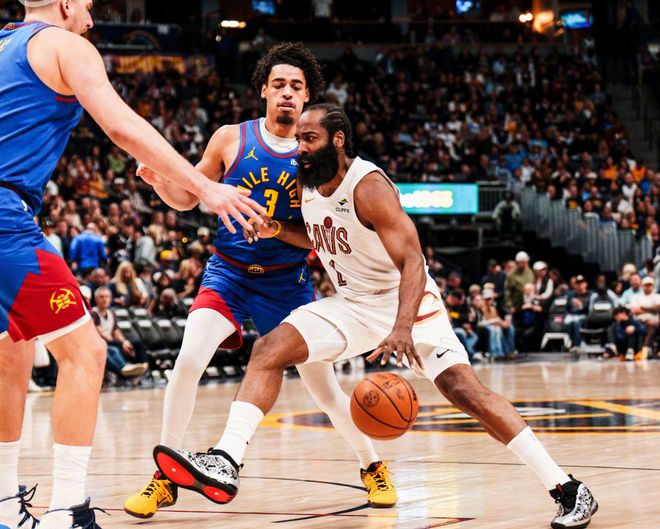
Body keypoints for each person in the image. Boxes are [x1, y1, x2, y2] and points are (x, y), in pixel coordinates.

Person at [153, 105, 598, 529]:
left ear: (337, 140)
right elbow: (317, 232)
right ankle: (227, 459)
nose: (300, 148)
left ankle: (567, 488)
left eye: (309, 139)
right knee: (269, 349)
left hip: (408, 304)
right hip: (353, 304)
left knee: (465, 391)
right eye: (299, 139)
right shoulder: (308, 182)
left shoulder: (368, 185)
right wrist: (276, 228)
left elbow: (414, 261)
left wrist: (402, 327)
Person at [0, 1, 263, 528]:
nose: (92, 19)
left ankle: (4, 502)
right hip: (5, 216)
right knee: (86, 353)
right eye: (88, 7)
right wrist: (205, 187)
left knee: (13, 349)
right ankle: (67, 510)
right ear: (67, 3)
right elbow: (120, 125)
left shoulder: (4, 43)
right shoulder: (66, 45)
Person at [124, 43, 396, 519]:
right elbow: (189, 199)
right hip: (228, 273)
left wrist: (275, 229)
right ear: (264, 91)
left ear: (307, 96)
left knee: (326, 392)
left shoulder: (316, 157)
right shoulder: (230, 138)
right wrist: (160, 183)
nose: (287, 93)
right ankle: (165, 476)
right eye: (279, 85)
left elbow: (317, 237)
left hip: (286, 283)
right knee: (187, 361)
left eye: (296, 86)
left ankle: (371, 464)